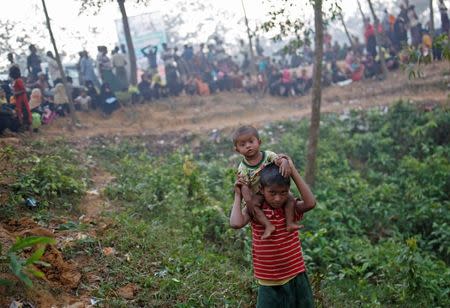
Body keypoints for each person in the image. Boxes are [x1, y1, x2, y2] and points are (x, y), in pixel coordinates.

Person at [230, 162, 316, 308]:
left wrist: (293, 170)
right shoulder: (256, 211)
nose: (278, 198)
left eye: (283, 193)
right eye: (272, 193)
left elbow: (310, 203)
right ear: (262, 190)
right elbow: (236, 223)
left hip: (296, 276)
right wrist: (238, 196)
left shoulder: (290, 208)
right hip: (269, 282)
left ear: (288, 190)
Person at [233, 125, 299, 240]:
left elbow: (279, 160)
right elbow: (244, 186)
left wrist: (284, 162)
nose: (248, 146)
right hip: (257, 193)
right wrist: (248, 201)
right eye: (242, 145)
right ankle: (268, 226)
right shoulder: (242, 168)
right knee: (254, 207)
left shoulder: (268, 155)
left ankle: (290, 223)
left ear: (259, 142)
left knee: (290, 198)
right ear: (237, 150)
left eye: (251, 141)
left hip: (272, 187)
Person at [9, 66, 32, 133]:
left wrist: (15, 93)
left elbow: (23, 90)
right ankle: (25, 129)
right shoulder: (16, 81)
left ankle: (29, 130)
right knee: (21, 113)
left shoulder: (18, 80)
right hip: (19, 100)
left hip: (22, 100)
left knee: (25, 113)